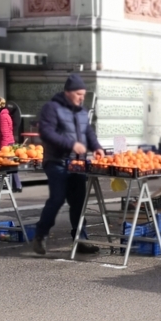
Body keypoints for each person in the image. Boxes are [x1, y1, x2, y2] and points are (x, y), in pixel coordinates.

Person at [32, 74, 104, 255]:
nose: (81, 98)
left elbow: (88, 132)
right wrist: (71, 144)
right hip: (57, 161)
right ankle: (40, 235)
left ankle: (81, 239)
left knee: (78, 202)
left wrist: (96, 147)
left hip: (77, 163)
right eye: (79, 94)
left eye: (83, 95)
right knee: (57, 199)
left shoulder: (82, 111)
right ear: (68, 92)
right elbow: (46, 133)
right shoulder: (52, 108)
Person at [0, 97, 23, 192]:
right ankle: (18, 185)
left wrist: (2, 148)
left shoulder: (2, 116)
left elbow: (5, 133)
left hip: (4, 144)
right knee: (10, 164)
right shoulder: (2, 115)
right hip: (7, 143)